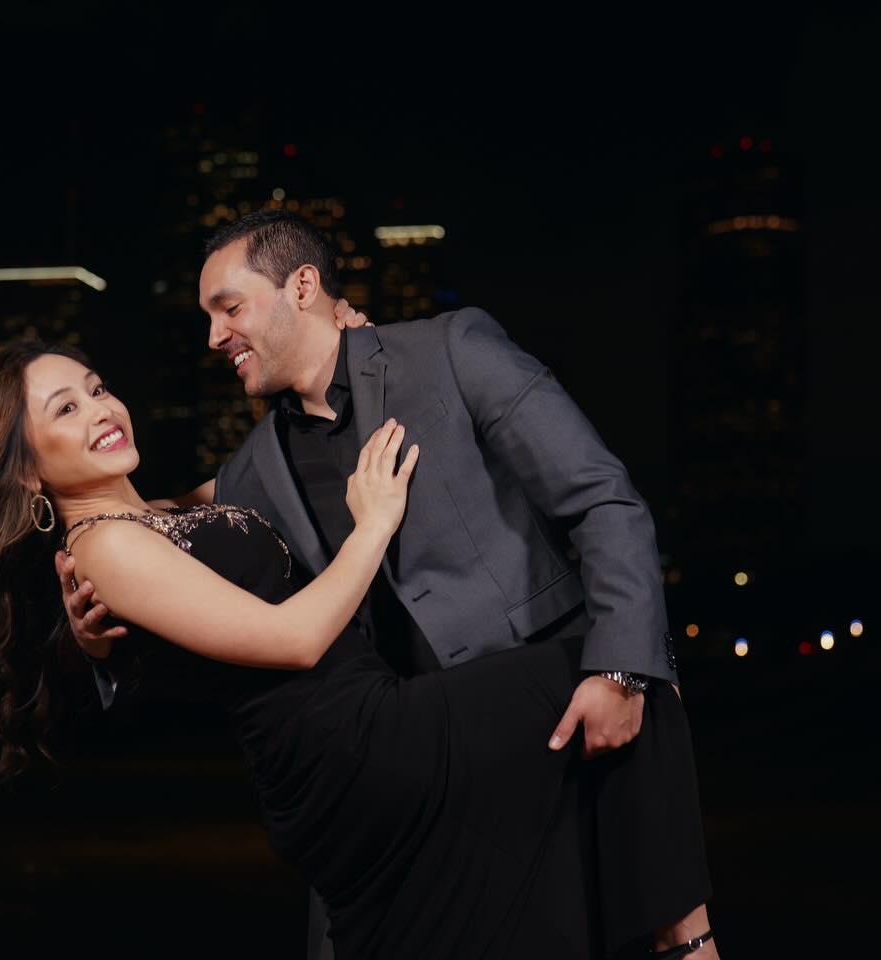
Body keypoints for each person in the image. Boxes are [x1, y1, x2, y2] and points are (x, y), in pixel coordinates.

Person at [0, 339, 712, 958]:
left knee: (526, 853)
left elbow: (268, 468)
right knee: (618, 668)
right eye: (65, 409)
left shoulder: (161, 515)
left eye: (96, 388)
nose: (101, 409)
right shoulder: (103, 548)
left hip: (362, 728)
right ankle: (685, 944)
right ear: (27, 474)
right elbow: (297, 638)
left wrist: (348, 343)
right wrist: (374, 523)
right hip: (349, 746)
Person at [62, 210, 718, 959]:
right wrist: (99, 630)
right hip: (413, 790)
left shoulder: (450, 350)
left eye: (229, 307)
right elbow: (163, 542)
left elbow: (602, 501)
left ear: (301, 287)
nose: (214, 336)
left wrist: (619, 671)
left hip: (561, 727)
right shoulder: (248, 475)